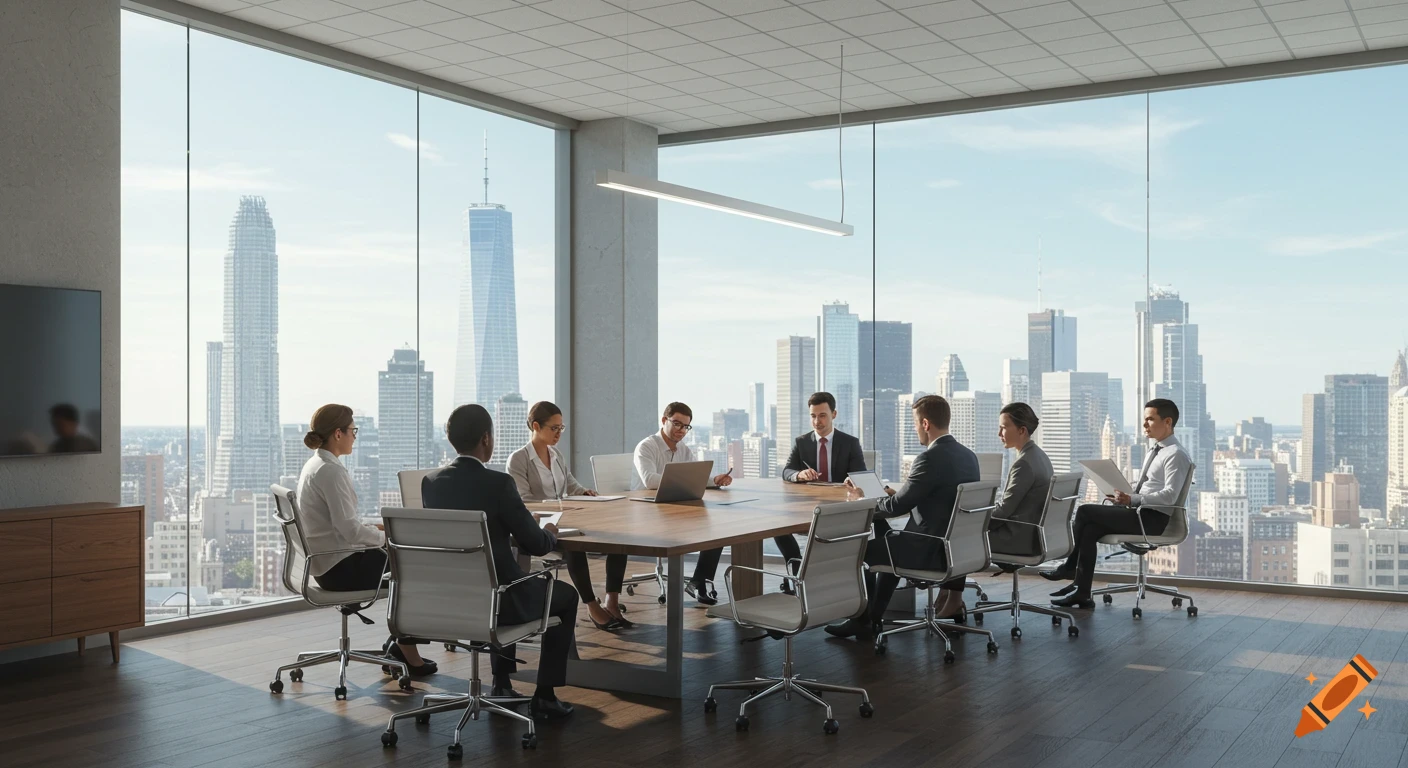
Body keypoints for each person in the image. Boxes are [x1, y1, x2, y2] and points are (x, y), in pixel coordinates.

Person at [422, 404, 579, 721]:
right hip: (502, 600)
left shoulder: (431, 482)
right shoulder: (499, 484)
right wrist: (548, 533)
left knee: (489, 579)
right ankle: (545, 696)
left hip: (452, 598)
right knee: (565, 596)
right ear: (486, 438)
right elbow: (534, 544)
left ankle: (502, 683)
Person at [294, 404, 435, 675]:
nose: (354, 436)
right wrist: (386, 538)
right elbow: (350, 531)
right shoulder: (331, 471)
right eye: (352, 430)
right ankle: (406, 652)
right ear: (338, 434)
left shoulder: (315, 465)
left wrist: (379, 529)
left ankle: (399, 644)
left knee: (405, 561)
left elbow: (342, 525)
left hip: (328, 564)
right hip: (340, 569)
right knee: (416, 568)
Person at [827, 395, 980, 639]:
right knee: (888, 540)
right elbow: (935, 499)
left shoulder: (928, 458)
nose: (915, 429)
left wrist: (860, 499)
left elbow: (897, 507)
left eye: (915, 424)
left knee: (860, 551)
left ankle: (862, 620)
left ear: (926, 424)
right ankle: (873, 618)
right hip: (956, 548)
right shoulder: (968, 456)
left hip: (927, 550)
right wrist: (890, 495)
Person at [1041, 399, 1192, 609]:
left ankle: (1069, 567)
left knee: (1084, 511)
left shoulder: (1175, 454)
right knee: (1090, 530)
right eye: (1144, 419)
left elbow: (1170, 496)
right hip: (1139, 512)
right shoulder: (1155, 450)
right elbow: (1148, 487)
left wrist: (1132, 499)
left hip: (1152, 520)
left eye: (1150, 419)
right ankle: (1082, 592)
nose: (1144, 424)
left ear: (1167, 422)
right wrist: (1123, 493)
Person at [507, 400, 631, 632]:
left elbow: (570, 484)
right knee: (576, 547)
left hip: (564, 520)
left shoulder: (556, 455)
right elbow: (524, 501)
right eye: (554, 428)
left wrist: (583, 492)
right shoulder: (519, 459)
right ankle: (592, 607)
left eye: (561, 428)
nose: (558, 433)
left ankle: (612, 603)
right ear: (536, 426)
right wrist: (557, 507)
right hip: (539, 525)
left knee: (618, 540)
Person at [632, 401, 733, 606]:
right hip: (646, 511)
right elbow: (650, 480)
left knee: (718, 529)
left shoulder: (683, 450)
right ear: (664, 420)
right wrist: (683, 480)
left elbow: (693, 477)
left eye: (686, 426)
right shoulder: (647, 446)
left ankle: (699, 582)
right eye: (677, 424)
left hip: (673, 508)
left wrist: (713, 480)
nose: (682, 430)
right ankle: (696, 583)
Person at [776, 391, 866, 593]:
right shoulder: (801, 442)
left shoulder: (850, 443)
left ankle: (826, 580)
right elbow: (787, 471)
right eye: (813, 416)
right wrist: (799, 474)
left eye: (822, 415)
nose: (817, 421)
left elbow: (860, 475)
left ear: (834, 414)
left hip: (839, 508)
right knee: (777, 529)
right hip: (809, 507)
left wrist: (852, 480)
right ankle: (797, 571)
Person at [986, 402, 1054, 560]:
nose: (999, 433)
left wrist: (975, 526)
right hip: (1033, 536)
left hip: (1017, 539)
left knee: (960, 540)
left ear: (1022, 430)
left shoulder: (1023, 464)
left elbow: (1003, 512)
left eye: (1003, 427)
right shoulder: (1040, 456)